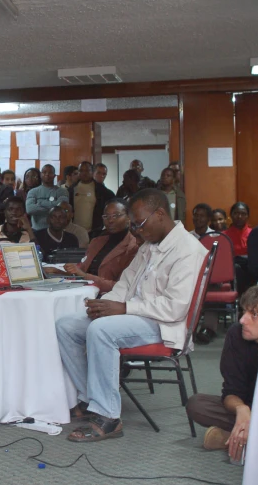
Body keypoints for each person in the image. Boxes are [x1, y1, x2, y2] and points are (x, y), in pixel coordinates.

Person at [56, 189, 207, 443]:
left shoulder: (188, 250)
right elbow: (125, 284)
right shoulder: (150, 245)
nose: (136, 229)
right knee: (67, 325)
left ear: (160, 214)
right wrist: (104, 306)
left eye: (139, 223)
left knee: (101, 331)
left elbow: (175, 307)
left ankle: (108, 416)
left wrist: (123, 309)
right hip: (135, 314)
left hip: (164, 323)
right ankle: (89, 398)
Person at [186, 285, 258, 462]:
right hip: (248, 408)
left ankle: (239, 437)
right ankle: (252, 437)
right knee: (197, 405)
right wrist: (241, 409)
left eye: (254, 315)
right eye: (244, 312)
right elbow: (231, 390)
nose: (243, 320)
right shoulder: (236, 334)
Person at [49, 199, 139, 293]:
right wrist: (57, 272)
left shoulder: (133, 247)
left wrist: (84, 275)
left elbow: (122, 286)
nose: (110, 220)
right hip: (82, 290)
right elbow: (80, 271)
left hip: (106, 297)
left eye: (116, 215)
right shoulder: (97, 241)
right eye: (106, 216)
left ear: (129, 217)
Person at [0, 196, 36, 261]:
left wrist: (29, 229)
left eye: (18, 209)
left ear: (24, 214)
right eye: (10, 209)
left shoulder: (31, 233)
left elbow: (39, 257)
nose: (14, 212)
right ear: (5, 213)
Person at [70, 161, 116, 234]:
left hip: (94, 232)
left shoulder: (102, 191)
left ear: (92, 172)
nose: (84, 173)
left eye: (87, 170)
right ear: (78, 172)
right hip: (74, 231)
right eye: (81, 170)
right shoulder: (71, 189)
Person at [26, 164, 69, 230]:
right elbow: (30, 209)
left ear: (54, 176)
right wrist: (54, 206)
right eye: (44, 172)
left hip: (57, 230)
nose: (47, 174)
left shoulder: (62, 191)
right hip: (37, 230)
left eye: (50, 173)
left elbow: (62, 207)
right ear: (40, 174)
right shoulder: (33, 191)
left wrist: (40, 203)